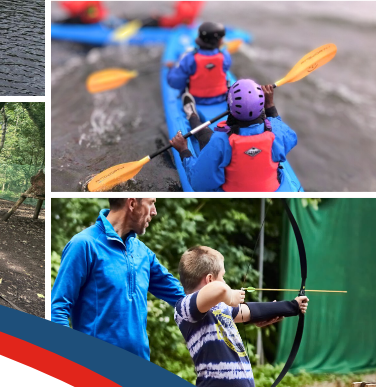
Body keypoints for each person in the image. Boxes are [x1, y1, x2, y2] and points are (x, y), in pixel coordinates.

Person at [51, 199, 185, 359]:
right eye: (151, 203)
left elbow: (181, 296)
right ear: (132, 204)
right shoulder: (84, 245)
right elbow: (57, 308)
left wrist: (218, 309)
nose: (154, 211)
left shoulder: (142, 252)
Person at [174, 246, 307, 387]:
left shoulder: (219, 307)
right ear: (210, 279)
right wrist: (230, 296)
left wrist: (292, 306)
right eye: (222, 277)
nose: (225, 282)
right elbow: (221, 289)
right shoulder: (184, 308)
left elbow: (251, 311)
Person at [169, 79, 299, 191]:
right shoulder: (276, 130)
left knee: (206, 136)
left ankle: (192, 115)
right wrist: (270, 105)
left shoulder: (221, 141)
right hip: (274, 189)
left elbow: (198, 183)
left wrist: (184, 151)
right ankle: (192, 115)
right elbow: (291, 138)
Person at [166, 22, 232, 149]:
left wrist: (173, 67)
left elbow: (174, 82)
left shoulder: (189, 58)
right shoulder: (225, 56)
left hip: (195, 100)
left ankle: (190, 112)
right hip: (220, 98)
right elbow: (223, 68)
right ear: (218, 42)